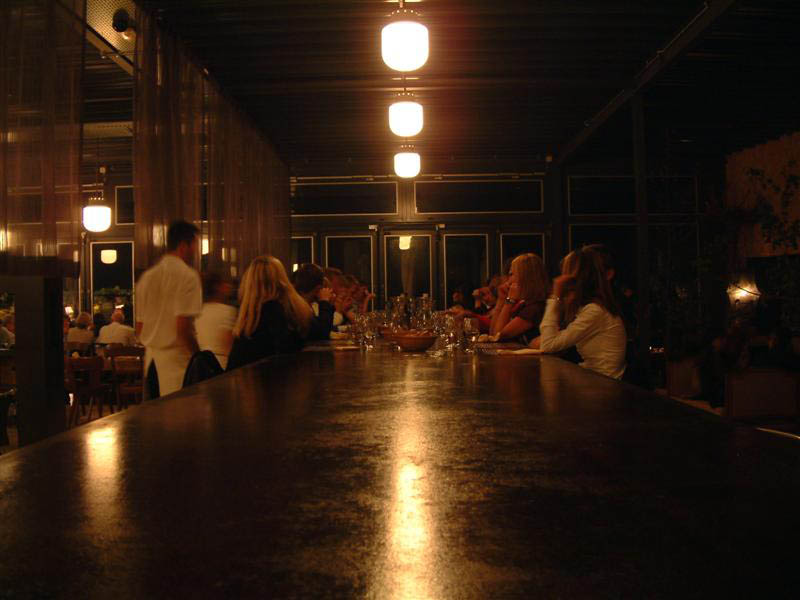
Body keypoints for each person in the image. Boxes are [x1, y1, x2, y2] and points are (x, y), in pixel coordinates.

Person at [533, 247, 627, 379]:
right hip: (593, 376)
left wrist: (555, 297)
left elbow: (548, 344)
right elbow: (548, 342)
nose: (562, 279)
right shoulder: (590, 308)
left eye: (567, 274)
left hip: (604, 383)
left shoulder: (595, 311)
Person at [135, 220, 203, 397]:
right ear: (184, 246)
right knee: (179, 413)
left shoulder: (147, 277)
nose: (196, 251)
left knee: (153, 412)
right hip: (177, 364)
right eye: (195, 245)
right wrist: (198, 356)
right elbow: (183, 328)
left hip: (150, 362)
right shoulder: (188, 276)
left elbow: (139, 328)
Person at [227, 255, 312, 371]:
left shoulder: (251, 313)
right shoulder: (285, 309)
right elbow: (289, 347)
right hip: (271, 376)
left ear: (250, 282)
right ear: (282, 279)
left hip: (244, 376)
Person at [490, 253, 549, 344]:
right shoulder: (524, 304)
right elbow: (491, 333)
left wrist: (509, 301)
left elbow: (497, 336)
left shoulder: (535, 308)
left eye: (511, 274)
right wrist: (500, 300)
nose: (509, 281)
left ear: (526, 277)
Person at [195, 272, 237, 369]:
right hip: (221, 366)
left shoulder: (198, 312)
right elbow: (230, 345)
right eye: (224, 283)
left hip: (202, 366)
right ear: (217, 287)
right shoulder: (227, 311)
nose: (228, 286)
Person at [292, 263, 336, 340]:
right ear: (319, 288)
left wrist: (330, 305)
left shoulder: (301, 302)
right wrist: (324, 302)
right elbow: (322, 333)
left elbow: (324, 328)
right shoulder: (299, 305)